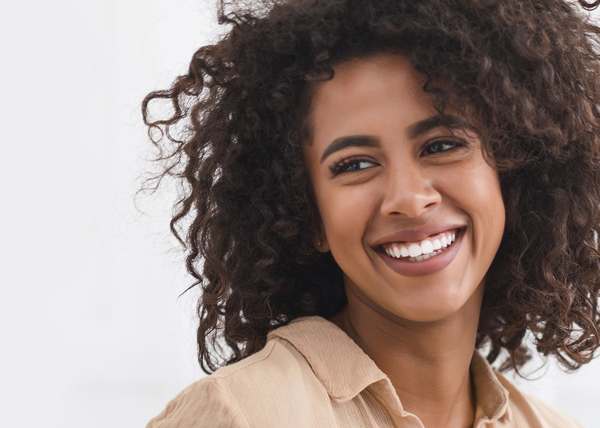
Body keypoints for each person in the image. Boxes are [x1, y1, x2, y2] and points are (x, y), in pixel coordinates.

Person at [142, 0, 600, 427]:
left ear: (512, 171)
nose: (408, 197)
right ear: (308, 214)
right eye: (355, 164)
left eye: (441, 146)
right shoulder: (243, 415)